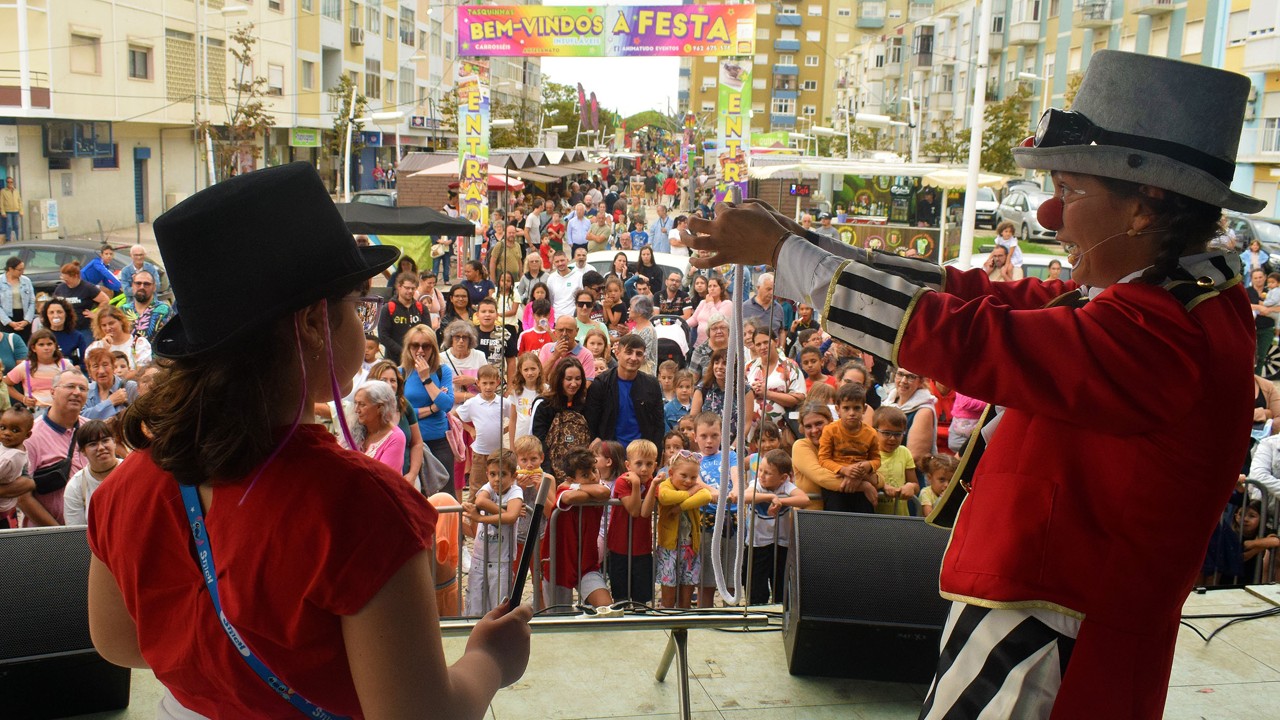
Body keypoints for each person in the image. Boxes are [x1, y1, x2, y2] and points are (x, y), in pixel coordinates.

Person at [684, 51, 1261, 719]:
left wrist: (790, 258)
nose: (1049, 214)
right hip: (1043, 613)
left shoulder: (1162, 331)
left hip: (1051, 631)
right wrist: (800, 244)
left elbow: (975, 337)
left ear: (1146, 205)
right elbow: (973, 295)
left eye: (1070, 190)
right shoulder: (1166, 297)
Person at [86, 163, 529, 718]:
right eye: (355, 306)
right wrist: (490, 659)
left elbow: (118, 642)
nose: (364, 326)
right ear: (316, 324)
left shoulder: (124, 488)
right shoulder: (361, 509)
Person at [540, 447, 614, 609]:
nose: (594, 477)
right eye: (586, 475)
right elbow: (569, 496)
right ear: (571, 478)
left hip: (586, 564)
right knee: (558, 619)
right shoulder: (564, 490)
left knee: (606, 607)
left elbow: (603, 492)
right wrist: (574, 488)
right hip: (559, 566)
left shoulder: (575, 486)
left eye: (594, 471)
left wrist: (577, 486)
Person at [15, 367, 88, 526]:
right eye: (70, 386)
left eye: (82, 388)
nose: (77, 392)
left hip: (92, 535)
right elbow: (22, 497)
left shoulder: (90, 429)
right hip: (47, 538)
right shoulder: (31, 436)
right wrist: (59, 533)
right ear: (52, 392)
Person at [739, 449, 807, 605]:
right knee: (757, 588)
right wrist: (770, 497)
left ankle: (780, 617)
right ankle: (757, 615)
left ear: (783, 478)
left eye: (767, 473)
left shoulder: (786, 486)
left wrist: (782, 501)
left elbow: (804, 499)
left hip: (780, 544)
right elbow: (745, 496)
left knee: (781, 589)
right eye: (760, 470)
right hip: (757, 545)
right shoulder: (756, 484)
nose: (761, 475)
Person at [462, 449, 524, 616]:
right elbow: (481, 500)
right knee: (475, 608)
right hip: (479, 559)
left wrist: (480, 518)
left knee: (499, 609)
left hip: (501, 562)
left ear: (513, 476)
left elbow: (511, 517)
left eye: (502, 474)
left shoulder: (515, 492)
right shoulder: (487, 486)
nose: (497, 479)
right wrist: (505, 514)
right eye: (493, 474)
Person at [401, 324, 458, 496]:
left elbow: (447, 404)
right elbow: (402, 411)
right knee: (416, 496)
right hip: (411, 444)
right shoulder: (400, 373)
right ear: (408, 347)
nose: (420, 350)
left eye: (425, 346)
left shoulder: (442, 371)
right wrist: (433, 407)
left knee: (445, 496)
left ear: (433, 348)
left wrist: (426, 378)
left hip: (438, 442)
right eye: (415, 345)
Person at [584, 333, 664, 448]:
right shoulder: (600, 384)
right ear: (617, 354)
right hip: (610, 452)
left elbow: (658, 423)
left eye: (639, 354)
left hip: (641, 453)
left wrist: (655, 452)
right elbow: (592, 422)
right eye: (629, 352)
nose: (633, 358)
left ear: (643, 358)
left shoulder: (652, 384)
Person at [691, 411, 737, 607]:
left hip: (731, 519)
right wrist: (714, 492)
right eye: (703, 436)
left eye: (714, 436)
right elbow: (696, 481)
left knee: (731, 574)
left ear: (722, 435)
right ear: (695, 437)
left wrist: (735, 490)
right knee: (706, 577)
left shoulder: (730, 455)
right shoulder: (693, 459)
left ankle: (731, 613)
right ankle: (705, 615)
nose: (709, 441)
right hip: (706, 520)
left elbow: (737, 478)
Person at [654, 449, 711, 609]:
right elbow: (665, 497)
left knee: (686, 597)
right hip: (669, 549)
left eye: (693, 477)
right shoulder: (666, 485)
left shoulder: (694, 487)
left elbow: (706, 496)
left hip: (690, 548)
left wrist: (680, 508)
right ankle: (668, 620)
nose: (688, 481)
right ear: (671, 473)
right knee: (668, 598)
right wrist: (691, 492)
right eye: (684, 476)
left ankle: (683, 624)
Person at [608, 438, 661, 603]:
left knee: (641, 596)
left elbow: (645, 513)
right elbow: (634, 510)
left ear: (655, 465)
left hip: (642, 546)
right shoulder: (622, 482)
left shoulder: (654, 483)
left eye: (649, 464)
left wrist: (651, 487)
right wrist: (637, 485)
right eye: (639, 464)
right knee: (620, 595)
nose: (644, 469)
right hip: (619, 545)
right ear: (628, 465)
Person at [816, 383, 881, 513]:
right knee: (837, 524)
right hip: (837, 484)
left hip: (861, 479)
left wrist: (867, 466)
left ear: (864, 409)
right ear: (838, 409)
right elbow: (823, 459)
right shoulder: (830, 430)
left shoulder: (871, 433)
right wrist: (844, 470)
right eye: (846, 408)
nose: (852, 413)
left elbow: (877, 459)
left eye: (856, 408)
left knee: (862, 524)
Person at [367, 360, 426, 487]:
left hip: (406, 481)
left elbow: (417, 443)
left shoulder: (405, 405)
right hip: (375, 482)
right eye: (383, 380)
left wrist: (412, 475)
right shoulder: (365, 410)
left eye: (393, 380)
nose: (389, 384)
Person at [530, 356, 592, 477]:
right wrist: (547, 470)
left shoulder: (585, 404)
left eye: (578, 379)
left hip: (579, 472)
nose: (574, 384)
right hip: (550, 470)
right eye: (568, 379)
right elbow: (538, 440)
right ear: (559, 379)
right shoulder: (543, 404)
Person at [452, 364, 504, 500]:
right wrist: (469, 429)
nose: (488, 387)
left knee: (498, 486)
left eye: (492, 383)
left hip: (498, 453)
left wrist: (506, 430)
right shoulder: (472, 403)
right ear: (478, 383)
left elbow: (514, 416)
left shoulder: (503, 402)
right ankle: (472, 519)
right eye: (485, 383)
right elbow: (453, 416)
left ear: (498, 383)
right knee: (476, 488)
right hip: (479, 453)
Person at [63, 419, 118, 526]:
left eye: (105, 440)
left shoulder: (131, 472)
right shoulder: (75, 486)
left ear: (114, 442)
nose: (101, 448)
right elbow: (76, 533)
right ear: (83, 451)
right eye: (93, 444)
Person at [347, 380, 407, 472]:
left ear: (380, 407)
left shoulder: (396, 437)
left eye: (362, 405)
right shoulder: (357, 429)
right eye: (355, 403)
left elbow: (384, 477)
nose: (356, 410)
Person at [5, 328, 72, 410]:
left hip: (63, 408)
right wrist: (23, 399)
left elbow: (78, 382)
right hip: (37, 410)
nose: (46, 348)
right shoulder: (25, 367)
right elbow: (5, 384)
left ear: (55, 346)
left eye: (49, 344)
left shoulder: (65, 365)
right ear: (33, 348)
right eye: (41, 345)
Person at [872, 406, 917, 516]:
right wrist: (883, 486)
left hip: (899, 516)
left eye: (898, 434)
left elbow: (915, 484)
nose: (892, 438)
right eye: (886, 433)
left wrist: (910, 487)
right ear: (874, 431)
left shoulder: (904, 452)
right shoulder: (869, 452)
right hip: (874, 514)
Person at [53, 262, 111, 346]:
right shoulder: (60, 288)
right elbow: (53, 304)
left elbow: (105, 300)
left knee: (86, 352)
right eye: (64, 280)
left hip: (83, 328)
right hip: (65, 327)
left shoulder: (88, 287)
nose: (66, 282)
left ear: (76, 276)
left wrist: (96, 314)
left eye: (67, 280)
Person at [87, 306, 152, 374]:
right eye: (104, 325)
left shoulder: (138, 343)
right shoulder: (95, 347)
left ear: (121, 321)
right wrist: (105, 351)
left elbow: (142, 371)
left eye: (111, 323)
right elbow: (94, 373)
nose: (108, 328)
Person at [0, 405, 32, 528]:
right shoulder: (13, 448)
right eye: (3, 428)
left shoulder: (10, 458)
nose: (6, 433)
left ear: (27, 435)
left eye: (15, 430)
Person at [82, 347, 137, 420]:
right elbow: (82, 418)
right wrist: (110, 402)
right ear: (89, 371)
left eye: (105, 365)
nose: (101, 371)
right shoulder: (86, 391)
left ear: (113, 367)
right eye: (95, 366)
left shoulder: (130, 387)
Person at [538, 316, 597, 381]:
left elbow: (586, 385)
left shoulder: (586, 354)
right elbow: (538, 379)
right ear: (555, 331)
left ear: (577, 331)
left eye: (569, 330)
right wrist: (554, 356)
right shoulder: (546, 348)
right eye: (560, 330)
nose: (564, 334)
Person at [119, 271, 174, 343]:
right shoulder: (122, 310)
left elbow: (171, 339)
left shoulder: (164, 310)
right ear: (132, 285)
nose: (142, 287)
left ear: (154, 287)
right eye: (138, 283)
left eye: (146, 284)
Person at [39, 298, 88, 369]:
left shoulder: (77, 336)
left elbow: (84, 363)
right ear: (46, 316)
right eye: (51, 312)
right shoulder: (39, 336)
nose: (56, 316)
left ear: (66, 314)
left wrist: (73, 368)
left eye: (59, 312)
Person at [0, 256, 35, 344]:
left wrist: (27, 320)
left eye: (23, 269)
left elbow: (32, 302)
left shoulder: (26, 281)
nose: (22, 272)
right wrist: (9, 322)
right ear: (10, 269)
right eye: (19, 270)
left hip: (23, 318)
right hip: (6, 320)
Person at [0, 177, 21, 243]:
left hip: (16, 211)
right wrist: (2, 212)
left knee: (16, 226)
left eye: (11, 182)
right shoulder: (3, 191)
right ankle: (8, 239)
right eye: (8, 182)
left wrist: (21, 211)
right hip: (8, 211)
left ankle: (16, 239)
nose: (9, 183)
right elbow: (1, 202)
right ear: (6, 183)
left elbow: (19, 201)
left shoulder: (16, 191)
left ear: (13, 182)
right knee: (9, 226)